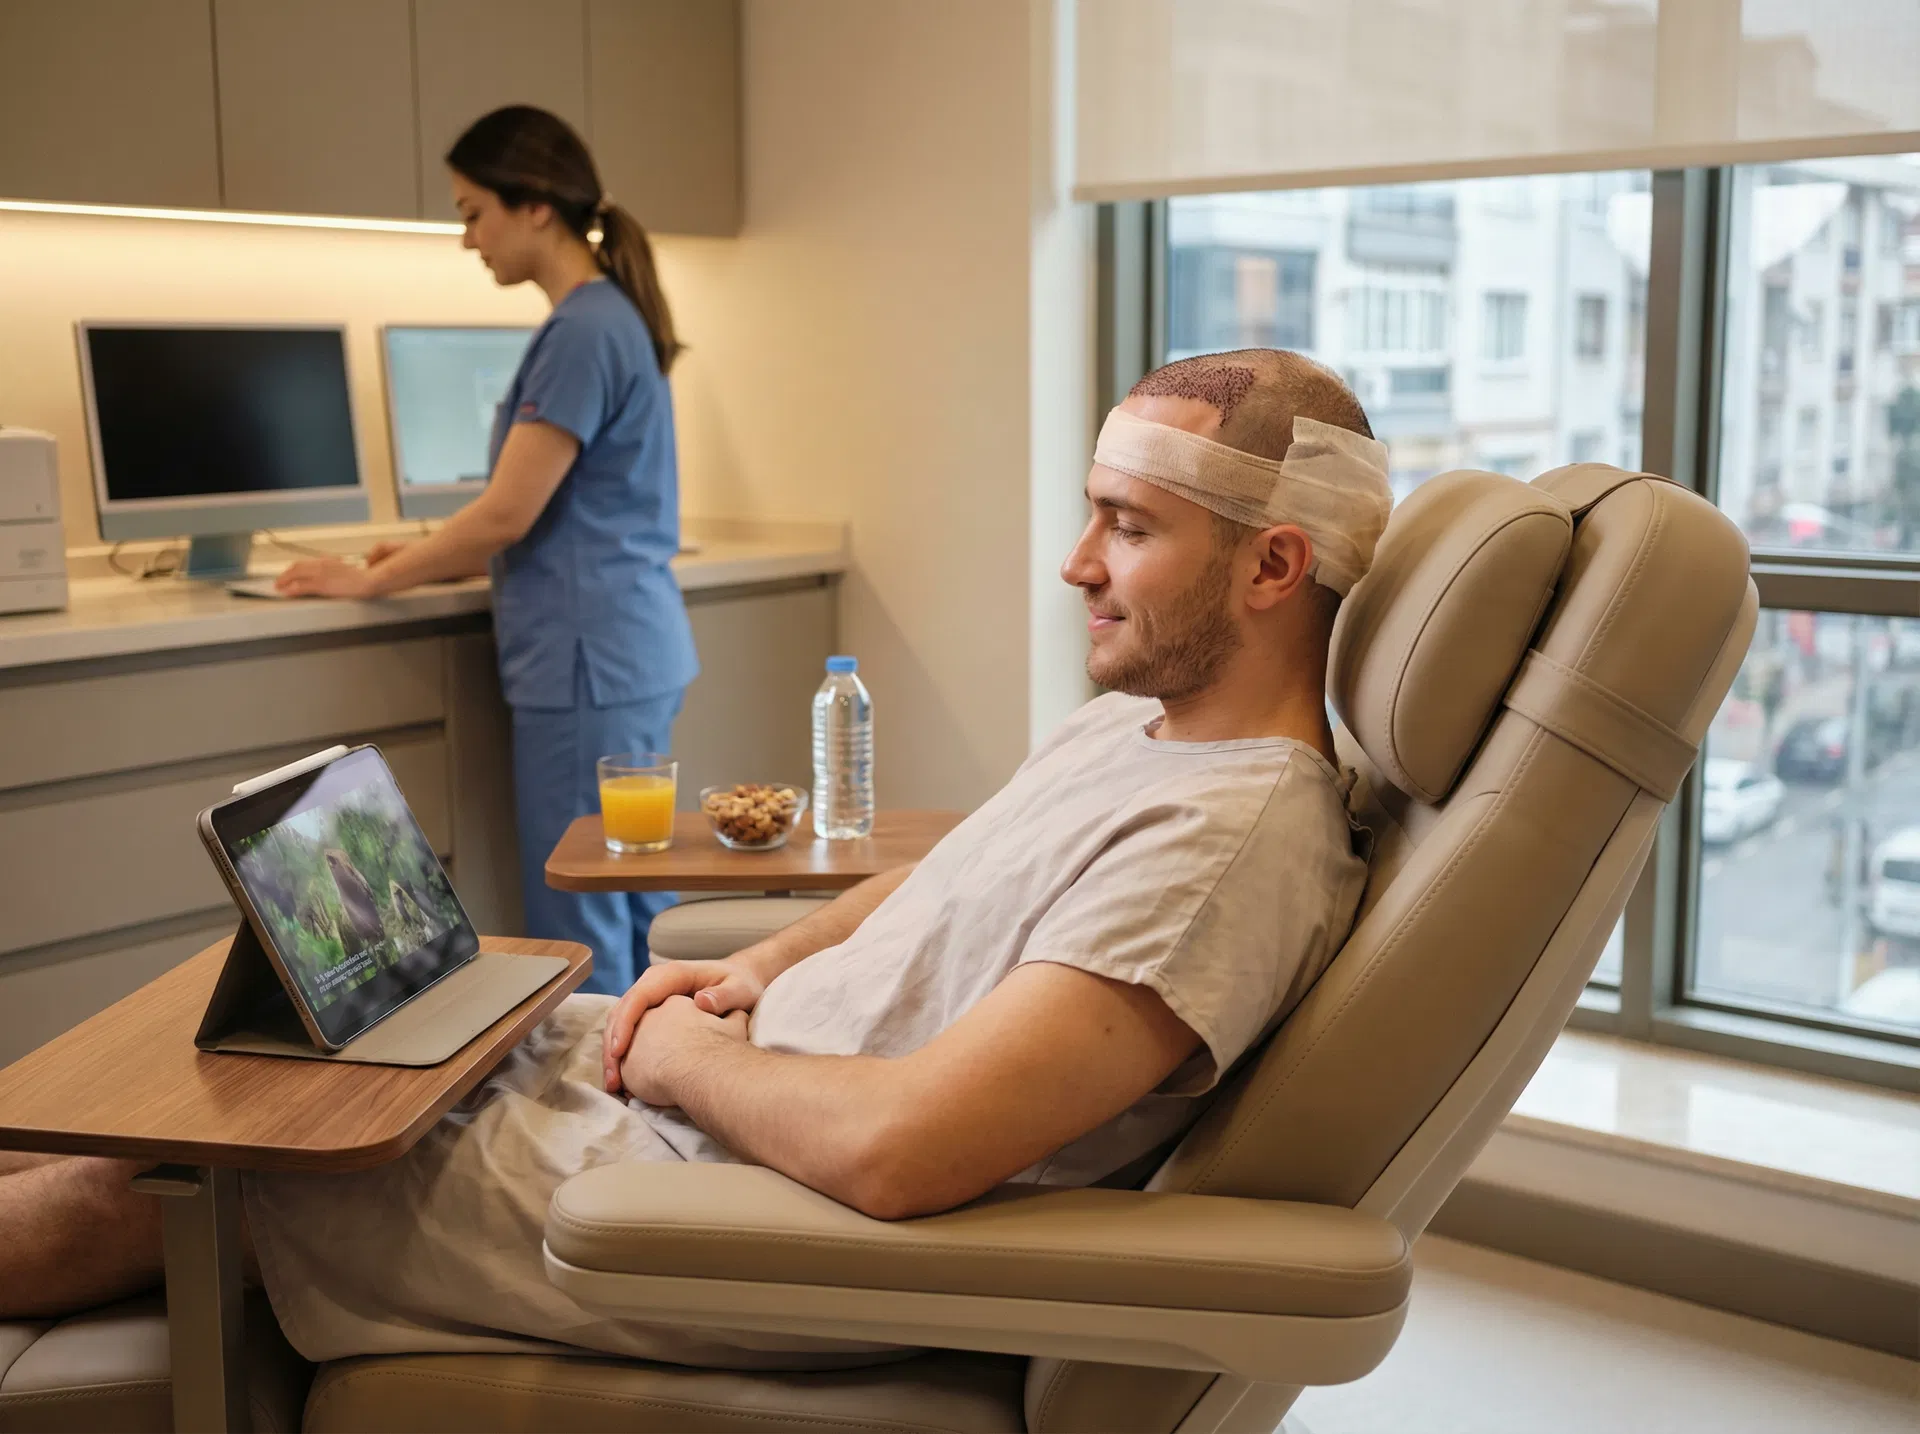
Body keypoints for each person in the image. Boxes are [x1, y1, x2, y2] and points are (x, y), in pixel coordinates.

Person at [0, 350, 1390, 1371]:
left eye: (1131, 528)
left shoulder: (1230, 841)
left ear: (1273, 568)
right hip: (713, 1098)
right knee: (282, 1048)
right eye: (1092, 512)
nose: (1077, 562)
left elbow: (903, 1152)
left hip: (722, 1196)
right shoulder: (1137, 729)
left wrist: (671, 1053)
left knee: (187, 1167)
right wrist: (760, 968)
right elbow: (950, 869)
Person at [275, 106, 699, 995]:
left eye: (474, 212)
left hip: (585, 663)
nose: (467, 238)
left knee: (581, 911)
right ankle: (654, 1099)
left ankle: (602, 1117)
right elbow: (554, 512)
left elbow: (509, 511)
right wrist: (426, 550)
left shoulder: (583, 329)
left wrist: (371, 578)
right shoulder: (608, 318)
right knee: (632, 900)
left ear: (535, 205)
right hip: (622, 650)